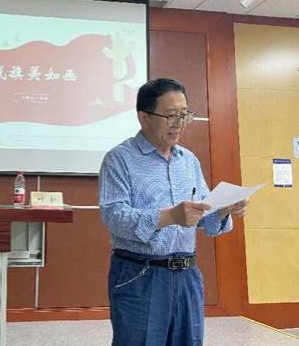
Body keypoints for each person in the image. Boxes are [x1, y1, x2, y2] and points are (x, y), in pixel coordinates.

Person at [98, 78, 248, 346]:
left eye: (184, 114)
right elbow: (114, 216)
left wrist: (223, 209)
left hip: (187, 274)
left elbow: (202, 216)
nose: (179, 123)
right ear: (143, 116)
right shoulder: (119, 158)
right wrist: (169, 217)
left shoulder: (188, 160)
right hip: (139, 273)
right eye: (170, 115)